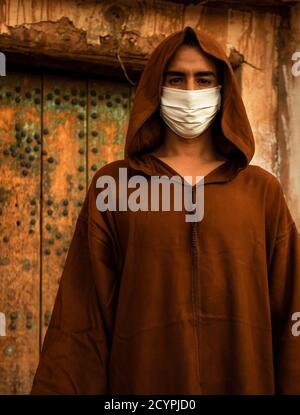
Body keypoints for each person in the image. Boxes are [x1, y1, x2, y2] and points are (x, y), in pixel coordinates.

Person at [30, 26, 300, 395]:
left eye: (204, 79)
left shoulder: (260, 191)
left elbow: (291, 312)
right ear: (156, 88)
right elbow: (82, 317)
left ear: (223, 91)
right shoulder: (116, 186)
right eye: (176, 79)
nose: (190, 93)